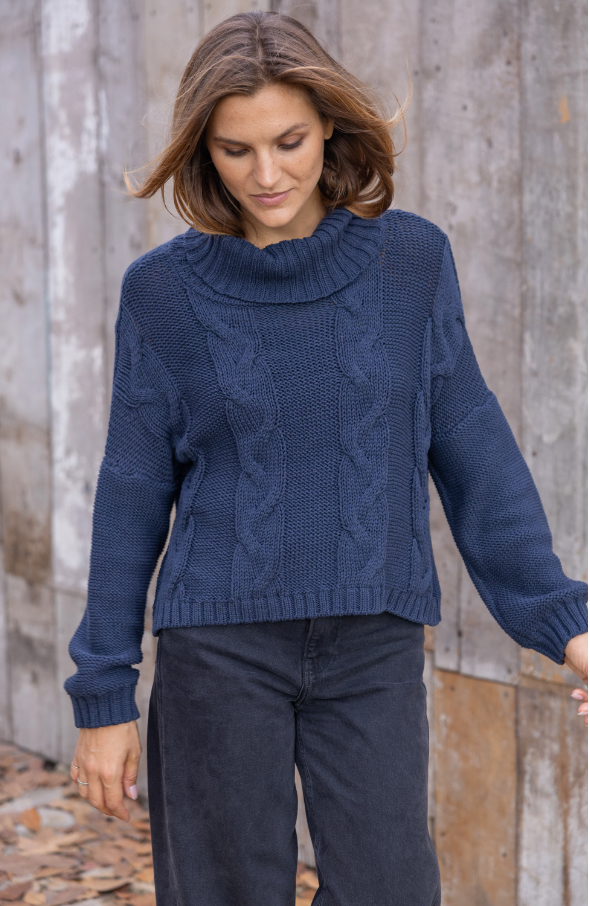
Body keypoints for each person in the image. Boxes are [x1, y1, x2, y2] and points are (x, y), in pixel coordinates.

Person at [65, 11, 588, 906]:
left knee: (393, 888)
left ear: (331, 127)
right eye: (235, 150)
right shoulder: (161, 295)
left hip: (372, 645)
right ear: (202, 150)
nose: (266, 175)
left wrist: (566, 625)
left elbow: (475, 449)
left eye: (290, 142)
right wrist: (104, 695)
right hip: (217, 653)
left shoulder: (411, 263)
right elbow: (131, 495)